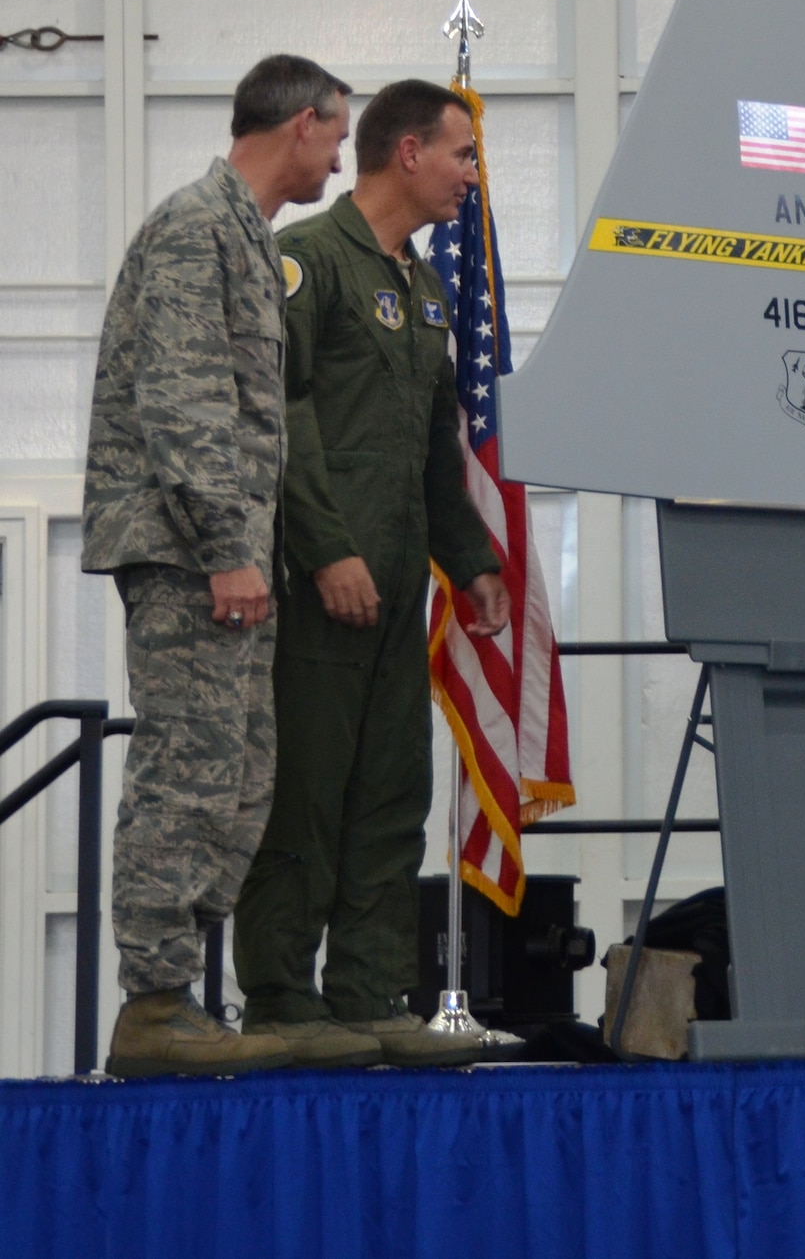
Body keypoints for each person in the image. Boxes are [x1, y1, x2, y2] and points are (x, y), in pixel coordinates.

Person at [83, 54, 352, 1078]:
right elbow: (184, 403)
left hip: (227, 556)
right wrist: (229, 551)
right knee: (187, 772)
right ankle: (152, 1005)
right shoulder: (199, 228)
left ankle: (180, 1001)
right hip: (192, 556)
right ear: (300, 126)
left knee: (237, 777)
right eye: (337, 133)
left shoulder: (244, 234)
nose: (339, 154)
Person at [232, 80, 509, 1068]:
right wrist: (326, 549)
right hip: (321, 585)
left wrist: (468, 561)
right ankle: (278, 993)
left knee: (391, 787)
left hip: (399, 587)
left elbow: (437, 445)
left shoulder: (428, 290)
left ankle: (366, 988)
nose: (470, 178)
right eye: (462, 156)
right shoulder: (309, 265)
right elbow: (282, 419)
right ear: (407, 154)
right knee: (306, 788)